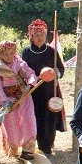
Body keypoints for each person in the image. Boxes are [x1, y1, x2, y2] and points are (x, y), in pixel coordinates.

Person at [21, 19, 66, 155]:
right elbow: (23, 70)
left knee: (49, 118)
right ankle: (30, 146)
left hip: (49, 91)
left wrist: (54, 73)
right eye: (36, 35)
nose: (39, 38)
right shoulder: (26, 52)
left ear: (45, 35)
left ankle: (47, 146)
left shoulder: (52, 51)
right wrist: (36, 78)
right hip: (33, 91)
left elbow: (61, 69)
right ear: (31, 37)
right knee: (33, 117)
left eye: (42, 35)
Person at [0, 40, 38, 160]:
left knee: (29, 121)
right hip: (8, 101)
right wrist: (5, 102)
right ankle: (13, 150)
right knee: (12, 125)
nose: (9, 56)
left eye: (11, 53)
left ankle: (28, 150)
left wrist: (30, 84)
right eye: (5, 54)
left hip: (24, 96)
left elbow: (29, 73)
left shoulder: (19, 62)